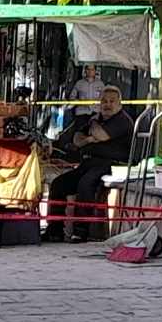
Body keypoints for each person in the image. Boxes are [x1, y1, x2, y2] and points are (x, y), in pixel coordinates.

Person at [43, 85, 134, 243]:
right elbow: (77, 140)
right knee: (59, 184)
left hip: (112, 164)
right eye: (104, 101)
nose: (107, 104)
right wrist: (90, 138)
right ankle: (55, 229)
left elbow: (102, 135)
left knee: (86, 184)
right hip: (88, 162)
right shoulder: (95, 119)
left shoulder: (122, 120)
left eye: (112, 101)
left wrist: (93, 133)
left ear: (120, 104)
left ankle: (81, 230)